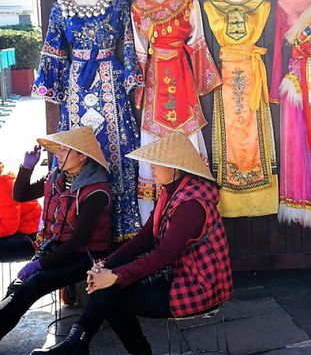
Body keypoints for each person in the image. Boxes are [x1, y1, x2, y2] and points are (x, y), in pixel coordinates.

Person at [32, 131, 233, 355]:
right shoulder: (172, 192)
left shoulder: (190, 204)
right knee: (107, 286)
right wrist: (106, 264)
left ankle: (80, 342)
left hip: (197, 284)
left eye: (157, 163)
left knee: (110, 293)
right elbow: (144, 239)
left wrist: (116, 276)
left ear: (176, 167)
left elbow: (163, 254)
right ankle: (78, 341)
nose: (151, 168)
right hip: (176, 272)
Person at [0, 126, 112, 340]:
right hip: (57, 248)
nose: (57, 155)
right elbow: (21, 195)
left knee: (34, 283)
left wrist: (39, 264)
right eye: (58, 150)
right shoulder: (57, 177)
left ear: (81, 157)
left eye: (64, 150)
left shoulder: (96, 190)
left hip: (86, 256)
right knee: (17, 288)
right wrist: (26, 168)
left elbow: (78, 242)